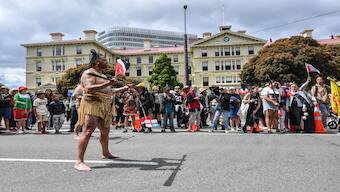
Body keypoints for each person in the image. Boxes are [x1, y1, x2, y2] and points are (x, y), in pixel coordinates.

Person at [74, 50, 127, 171]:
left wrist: (122, 88)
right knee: (88, 131)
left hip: (105, 105)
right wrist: (108, 83)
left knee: (105, 131)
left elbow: (108, 90)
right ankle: (79, 161)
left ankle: (106, 153)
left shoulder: (101, 75)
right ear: (97, 62)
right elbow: (88, 88)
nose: (107, 62)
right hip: (92, 103)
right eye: (104, 60)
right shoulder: (89, 73)